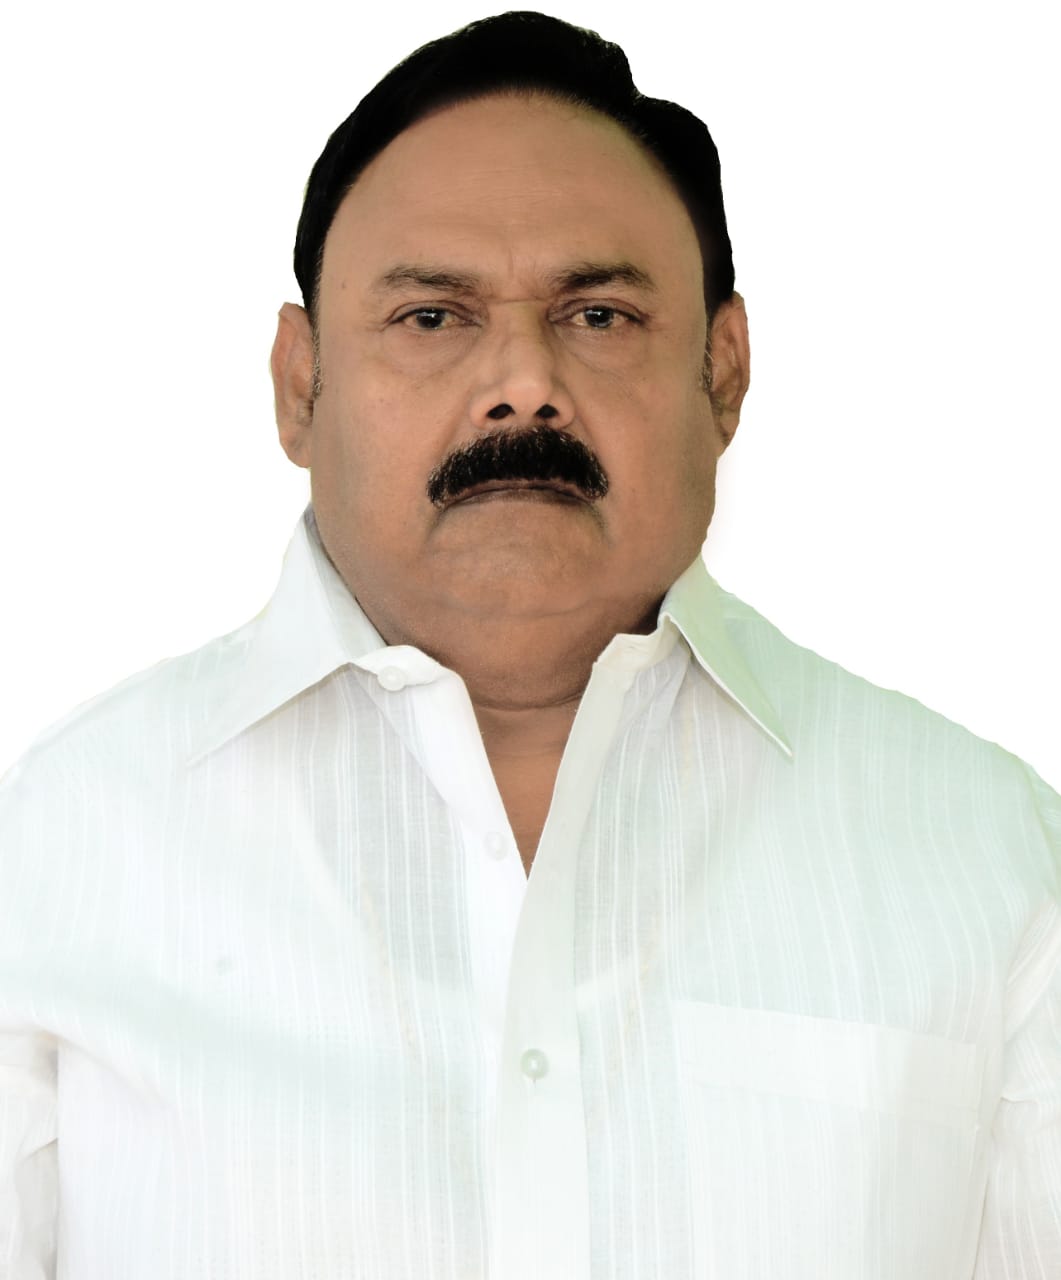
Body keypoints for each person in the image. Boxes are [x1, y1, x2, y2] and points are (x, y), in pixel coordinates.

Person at [1, 9, 1058, 1278]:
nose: (521, 382)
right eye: (430, 316)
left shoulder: (987, 856)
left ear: (723, 373)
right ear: (298, 384)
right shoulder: (54, 850)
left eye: (597, 314)